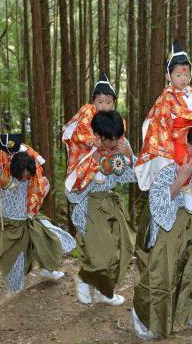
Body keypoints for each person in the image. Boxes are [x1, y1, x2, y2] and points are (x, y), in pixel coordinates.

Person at [131, 122, 192, 339]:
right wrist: (180, 180)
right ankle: (144, 316)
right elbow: (157, 203)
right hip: (167, 221)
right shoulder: (168, 162)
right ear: (190, 148)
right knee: (164, 271)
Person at [0, 134, 75, 292]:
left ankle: (47, 269)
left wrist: (34, 203)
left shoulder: (33, 169)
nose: (24, 179)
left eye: (27, 176)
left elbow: (43, 186)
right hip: (11, 222)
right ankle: (16, 286)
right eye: (22, 177)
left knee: (48, 238)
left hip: (30, 216)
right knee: (14, 257)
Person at [65, 111, 136, 306]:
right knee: (101, 254)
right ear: (96, 135)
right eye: (108, 140)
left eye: (116, 138)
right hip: (91, 206)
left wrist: (129, 155)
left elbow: (134, 177)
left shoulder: (120, 148)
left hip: (112, 205)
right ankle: (84, 277)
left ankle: (104, 292)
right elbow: (71, 190)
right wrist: (92, 164)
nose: (113, 143)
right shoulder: (84, 152)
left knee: (123, 248)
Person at [135, 39, 192, 194]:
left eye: (186, 74)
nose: (183, 78)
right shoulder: (167, 96)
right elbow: (161, 119)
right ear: (169, 76)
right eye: (178, 74)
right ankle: (185, 186)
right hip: (175, 136)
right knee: (183, 157)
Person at [62, 71, 118, 194]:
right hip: (84, 145)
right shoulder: (88, 111)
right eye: (101, 102)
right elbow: (81, 130)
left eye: (108, 103)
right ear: (94, 101)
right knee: (86, 157)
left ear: (113, 103)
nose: (104, 106)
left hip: (101, 146)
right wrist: (93, 140)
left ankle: (102, 171)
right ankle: (89, 175)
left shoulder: (112, 116)